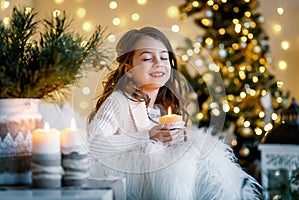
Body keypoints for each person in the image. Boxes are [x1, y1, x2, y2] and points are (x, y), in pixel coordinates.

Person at [87, 26, 260, 200]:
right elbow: (93, 143)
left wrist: (177, 139)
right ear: (128, 70)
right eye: (147, 58)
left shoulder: (159, 110)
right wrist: (147, 136)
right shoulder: (120, 100)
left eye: (164, 57)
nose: (158, 63)